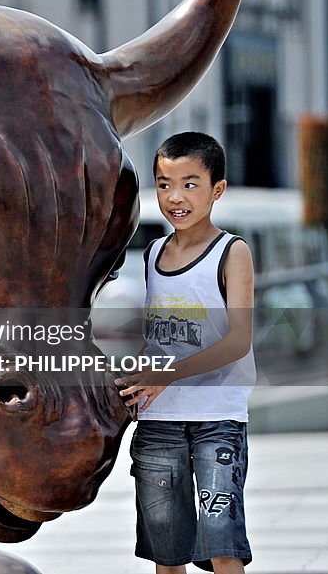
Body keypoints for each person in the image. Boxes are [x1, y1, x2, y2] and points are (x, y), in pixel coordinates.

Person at [116, 132, 256, 574]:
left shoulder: (232, 252)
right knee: (167, 549)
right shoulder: (153, 252)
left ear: (218, 189)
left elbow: (238, 341)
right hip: (158, 422)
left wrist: (167, 375)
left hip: (218, 417)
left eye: (190, 184)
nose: (175, 197)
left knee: (222, 539)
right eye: (164, 184)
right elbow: (159, 338)